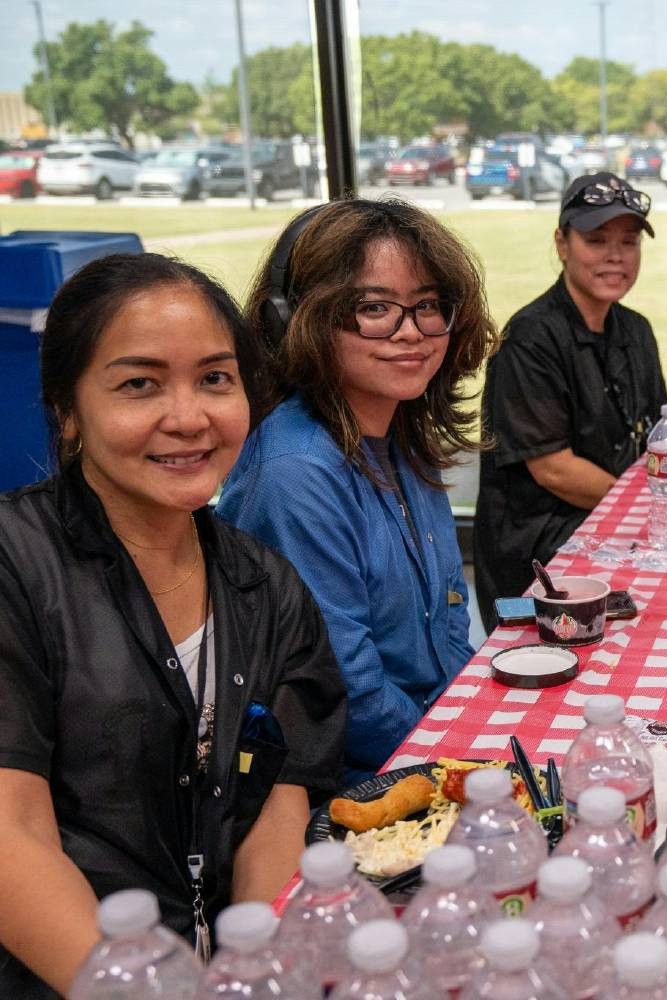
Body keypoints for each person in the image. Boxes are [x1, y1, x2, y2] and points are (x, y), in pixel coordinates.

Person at [0, 254, 346, 998]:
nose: (188, 417)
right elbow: (11, 837)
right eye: (139, 384)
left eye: (215, 379)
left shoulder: (266, 587)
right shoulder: (14, 568)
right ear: (67, 410)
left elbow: (279, 795)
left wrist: (258, 969)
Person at [218, 198, 497, 782]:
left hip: (427, 743)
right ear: (297, 318)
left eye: (428, 307)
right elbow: (351, 695)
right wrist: (465, 761)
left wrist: (479, 723)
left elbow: (449, 618)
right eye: (375, 308)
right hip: (355, 784)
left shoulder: (401, 433)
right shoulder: (296, 473)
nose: (411, 333)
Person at [475, 172, 667, 628]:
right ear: (562, 243)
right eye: (596, 239)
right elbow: (554, 469)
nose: (615, 256)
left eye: (629, 241)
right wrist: (649, 511)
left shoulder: (635, 330)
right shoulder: (529, 339)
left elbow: (661, 430)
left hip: (612, 531)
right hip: (542, 558)